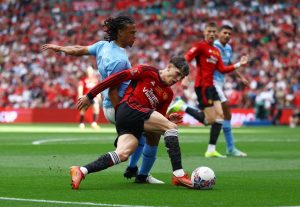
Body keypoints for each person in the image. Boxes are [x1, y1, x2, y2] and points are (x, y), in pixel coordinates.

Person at [41, 16, 162, 184]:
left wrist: (60, 48)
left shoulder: (103, 46)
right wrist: (123, 118)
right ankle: (140, 174)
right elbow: (113, 90)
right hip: (119, 105)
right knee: (151, 135)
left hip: (114, 106)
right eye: (131, 32)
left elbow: (78, 49)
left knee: (144, 135)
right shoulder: (118, 60)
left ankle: (136, 172)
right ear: (120, 32)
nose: (135, 36)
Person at [70, 56, 192, 190]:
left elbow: (159, 120)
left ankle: (81, 170)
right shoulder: (146, 71)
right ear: (169, 66)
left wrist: (168, 119)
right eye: (177, 74)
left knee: (122, 154)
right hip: (129, 108)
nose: (177, 80)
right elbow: (116, 78)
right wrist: (90, 95)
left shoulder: (168, 94)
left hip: (133, 119)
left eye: (181, 78)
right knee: (171, 128)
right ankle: (178, 174)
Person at [168, 22, 248, 158]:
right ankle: (182, 106)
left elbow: (222, 69)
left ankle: (211, 149)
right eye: (209, 31)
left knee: (220, 117)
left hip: (211, 87)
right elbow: (186, 58)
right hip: (202, 86)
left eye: (213, 32)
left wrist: (239, 64)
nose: (211, 34)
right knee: (209, 121)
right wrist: (185, 77)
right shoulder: (200, 46)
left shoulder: (216, 51)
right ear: (205, 32)